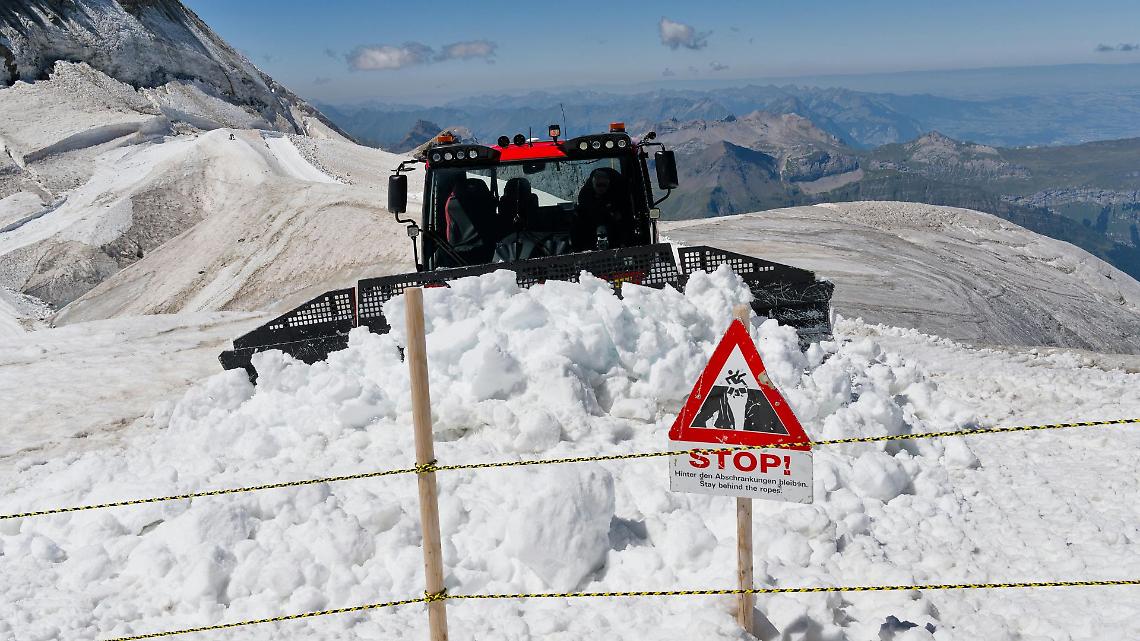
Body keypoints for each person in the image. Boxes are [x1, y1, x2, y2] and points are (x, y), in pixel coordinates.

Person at [573, 167, 633, 250]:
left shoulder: (618, 195)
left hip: (614, 229)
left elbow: (625, 212)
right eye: (598, 185)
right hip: (590, 229)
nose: (601, 188)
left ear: (609, 183)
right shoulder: (585, 196)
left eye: (604, 185)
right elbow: (584, 213)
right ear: (593, 183)